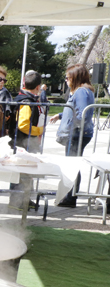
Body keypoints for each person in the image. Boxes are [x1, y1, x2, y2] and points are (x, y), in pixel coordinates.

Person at [50, 64, 95, 207]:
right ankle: (70, 196)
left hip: (77, 133)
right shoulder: (84, 91)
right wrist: (61, 115)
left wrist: (71, 125)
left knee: (72, 165)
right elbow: (77, 110)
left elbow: (82, 114)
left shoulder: (81, 91)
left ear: (75, 78)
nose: (66, 80)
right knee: (73, 164)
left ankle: (70, 198)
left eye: (67, 78)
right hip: (78, 132)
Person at [8, 70, 45, 210]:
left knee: (26, 172)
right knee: (22, 171)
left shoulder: (25, 98)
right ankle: (17, 201)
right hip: (23, 141)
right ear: (38, 87)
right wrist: (39, 131)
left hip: (23, 141)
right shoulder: (26, 101)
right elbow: (23, 125)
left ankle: (24, 199)